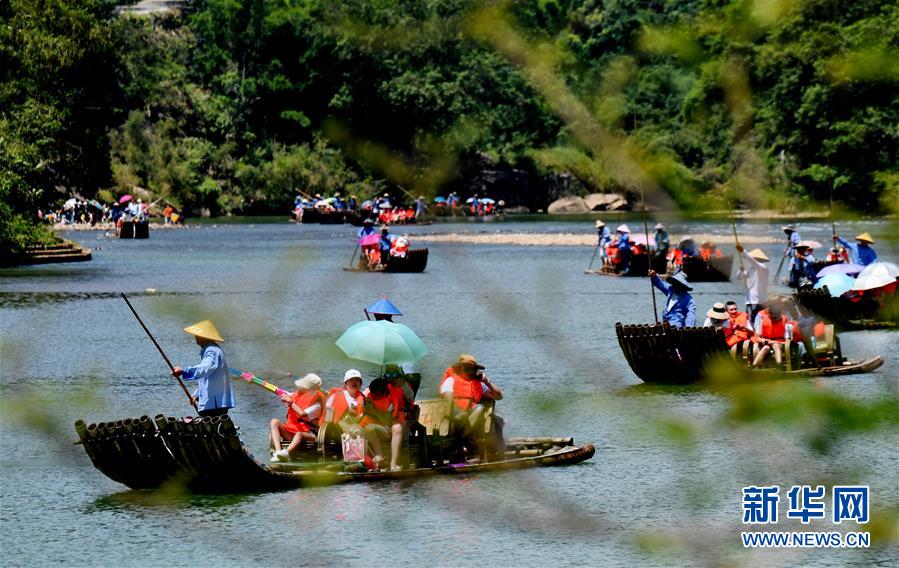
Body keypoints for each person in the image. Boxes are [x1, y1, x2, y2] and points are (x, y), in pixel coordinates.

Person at [172, 320, 235, 417]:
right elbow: (208, 378)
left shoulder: (211, 351)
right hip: (214, 402)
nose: (195, 337)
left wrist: (184, 370)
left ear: (205, 337)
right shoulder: (212, 350)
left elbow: (206, 368)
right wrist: (197, 395)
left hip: (214, 404)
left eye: (198, 335)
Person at [440, 354, 502, 445]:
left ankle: (459, 441)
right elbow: (449, 402)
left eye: (472, 369)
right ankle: (459, 441)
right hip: (453, 418)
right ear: (460, 368)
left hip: (472, 417)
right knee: (467, 412)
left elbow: (498, 396)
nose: (470, 371)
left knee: (480, 408)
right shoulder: (450, 381)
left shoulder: (479, 384)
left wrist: (487, 382)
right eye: (466, 368)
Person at [269, 374, 325, 461]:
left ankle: (286, 453)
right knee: (274, 422)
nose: (299, 388)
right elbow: (282, 394)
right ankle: (278, 453)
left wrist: (290, 403)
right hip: (291, 432)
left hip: (309, 435)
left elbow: (302, 414)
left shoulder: (317, 405)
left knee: (299, 434)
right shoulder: (297, 395)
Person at [361, 378, 405, 471]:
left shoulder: (393, 397)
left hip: (389, 426)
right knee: (368, 427)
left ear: (384, 392)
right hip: (373, 428)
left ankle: (393, 463)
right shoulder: (368, 397)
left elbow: (387, 421)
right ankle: (378, 455)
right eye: (372, 394)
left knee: (397, 428)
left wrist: (375, 410)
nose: (373, 396)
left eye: (376, 395)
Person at [751, 301, 792, 367]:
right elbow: (757, 337)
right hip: (767, 342)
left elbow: (787, 340)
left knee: (776, 345)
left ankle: (779, 365)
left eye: (775, 317)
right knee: (765, 348)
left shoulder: (785, 321)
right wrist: (762, 340)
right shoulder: (763, 320)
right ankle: (753, 366)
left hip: (780, 343)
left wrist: (775, 342)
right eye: (771, 317)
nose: (773, 319)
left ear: (779, 314)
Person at [735, 245, 770, 320]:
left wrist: (743, 251)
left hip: (758, 301)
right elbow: (738, 277)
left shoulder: (762, 268)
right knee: (750, 320)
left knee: (757, 320)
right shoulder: (751, 269)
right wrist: (740, 270)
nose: (752, 261)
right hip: (749, 300)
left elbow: (752, 261)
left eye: (754, 259)